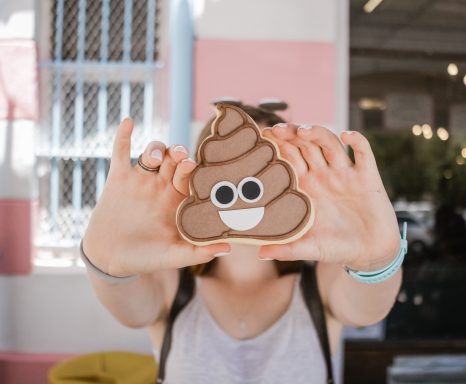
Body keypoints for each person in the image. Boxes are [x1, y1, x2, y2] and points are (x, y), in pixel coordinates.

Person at [82, 102, 403, 383]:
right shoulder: (170, 285)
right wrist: (105, 263)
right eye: (230, 169)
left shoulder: (320, 284)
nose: (248, 191)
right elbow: (131, 311)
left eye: (266, 167)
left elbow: (366, 310)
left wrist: (378, 260)